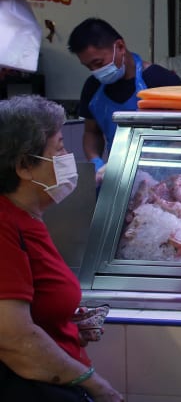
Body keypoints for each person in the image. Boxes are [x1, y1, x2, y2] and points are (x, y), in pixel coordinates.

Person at [0, 95, 123, 402]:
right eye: (60, 148)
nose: (68, 157)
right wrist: (97, 386)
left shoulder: (29, 216)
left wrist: (66, 324)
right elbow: (13, 338)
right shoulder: (3, 225)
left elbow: (33, 307)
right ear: (25, 167)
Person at [67, 18, 181, 184]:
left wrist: (149, 160)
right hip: (120, 179)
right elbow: (92, 132)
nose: (95, 71)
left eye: (98, 63)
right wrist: (96, 162)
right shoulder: (92, 87)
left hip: (168, 178)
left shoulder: (161, 80)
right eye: (88, 67)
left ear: (120, 47)